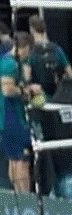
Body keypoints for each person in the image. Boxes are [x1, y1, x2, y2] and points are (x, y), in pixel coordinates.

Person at [1, 31, 34, 193]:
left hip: (7, 119)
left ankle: (18, 197)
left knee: (14, 160)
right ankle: (26, 200)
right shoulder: (10, 64)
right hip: (12, 118)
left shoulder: (10, 62)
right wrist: (28, 92)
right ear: (25, 48)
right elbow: (7, 90)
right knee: (22, 161)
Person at [26, 14, 72, 100]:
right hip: (58, 97)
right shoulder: (57, 49)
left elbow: (26, 78)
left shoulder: (30, 53)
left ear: (31, 29)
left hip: (39, 100)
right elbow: (70, 74)